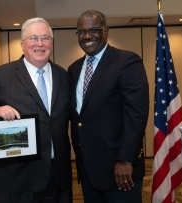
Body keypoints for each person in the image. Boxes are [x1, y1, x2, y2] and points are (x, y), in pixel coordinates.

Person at [0, 17, 72, 203]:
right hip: (17, 180)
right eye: (33, 38)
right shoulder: (2, 74)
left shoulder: (63, 76)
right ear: (23, 44)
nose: (40, 44)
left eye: (45, 38)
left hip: (58, 178)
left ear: (52, 44)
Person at [68, 10, 149, 203]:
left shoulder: (127, 62)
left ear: (106, 31)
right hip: (88, 170)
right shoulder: (74, 69)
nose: (87, 36)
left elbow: (136, 115)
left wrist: (126, 159)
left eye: (93, 30)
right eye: (81, 32)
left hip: (119, 170)